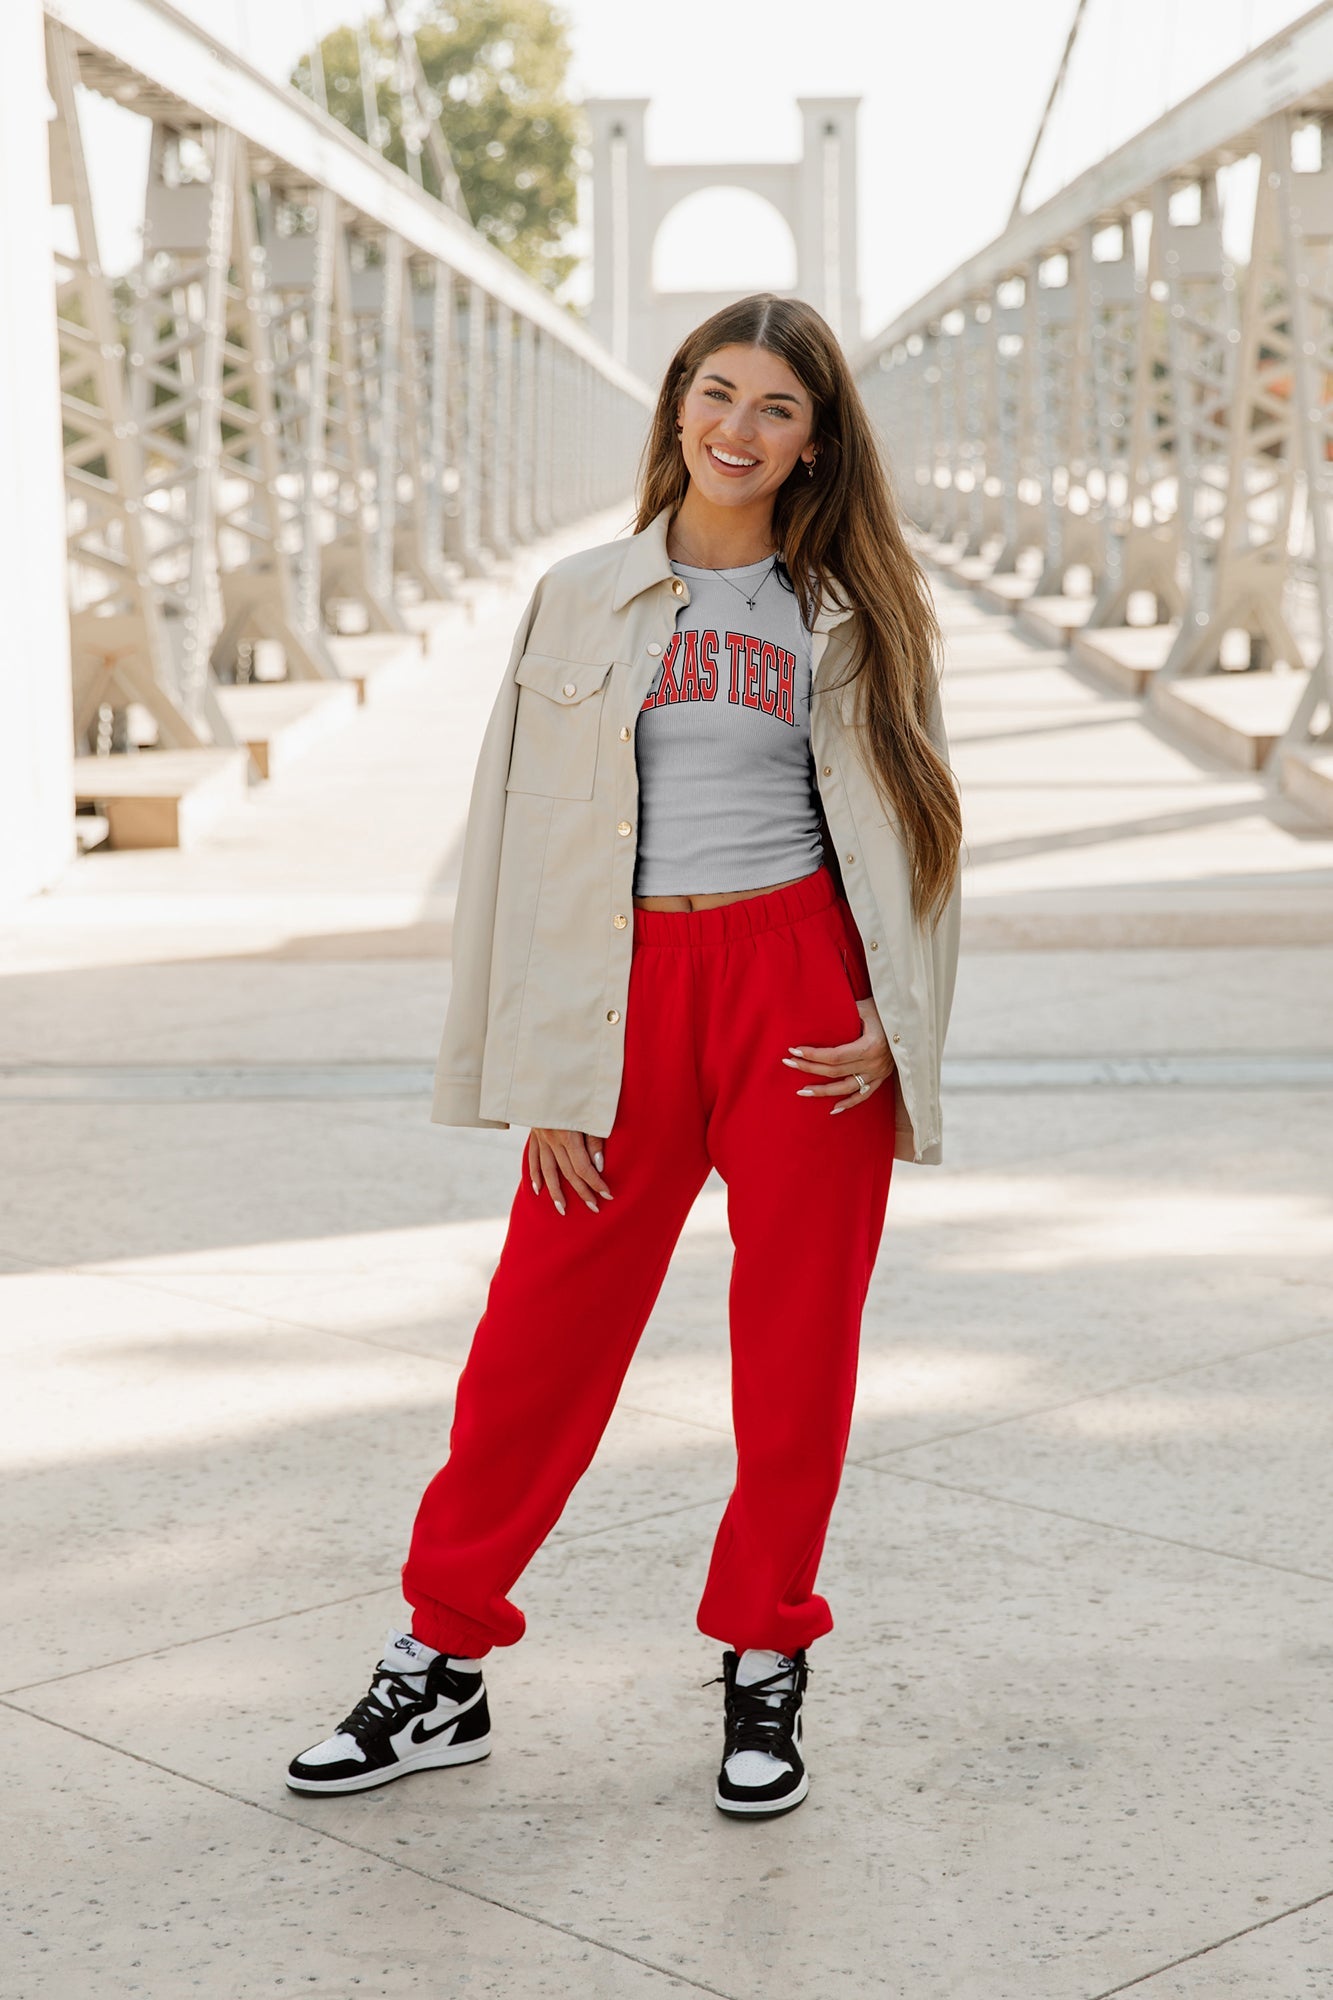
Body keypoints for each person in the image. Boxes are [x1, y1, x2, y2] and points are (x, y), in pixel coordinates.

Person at [287, 293, 963, 1820]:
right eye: (714, 393)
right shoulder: (578, 596)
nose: (737, 427)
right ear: (673, 408)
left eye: (775, 407)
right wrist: (538, 1069)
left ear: (814, 440)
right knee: (535, 1339)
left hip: (799, 994)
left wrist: (888, 1020)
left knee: (795, 1357)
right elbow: (518, 847)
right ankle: (440, 1661)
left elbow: (923, 829)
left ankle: (764, 1663)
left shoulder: (853, 607)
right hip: (624, 991)